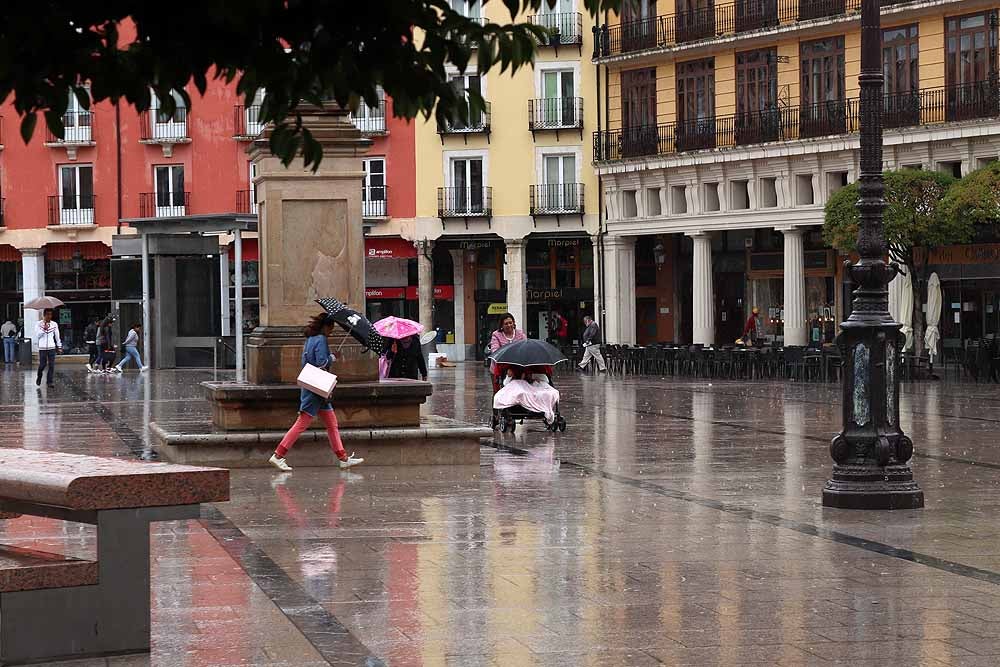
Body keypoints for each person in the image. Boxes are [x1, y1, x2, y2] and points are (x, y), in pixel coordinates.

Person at [269, 312, 365, 472]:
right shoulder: (321, 340)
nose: (332, 331)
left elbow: (307, 362)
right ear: (325, 326)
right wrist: (333, 357)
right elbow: (321, 363)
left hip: (313, 388)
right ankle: (278, 455)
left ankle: (343, 458)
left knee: (332, 424)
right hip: (316, 390)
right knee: (302, 424)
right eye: (331, 328)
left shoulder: (309, 340)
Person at [488, 313, 526, 391]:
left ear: (513, 323)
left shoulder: (520, 334)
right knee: (498, 392)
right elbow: (495, 351)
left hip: (516, 366)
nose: (509, 325)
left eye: (510, 323)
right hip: (499, 367)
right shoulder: (496, 335)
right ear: (501, 325)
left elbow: (525, 347)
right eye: (506, 324)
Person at [35, 309, 61, 387]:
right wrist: (44, 329)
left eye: (50, 314)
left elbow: (57, 336)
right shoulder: (38, 324)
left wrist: (59, 346)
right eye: (47, 314)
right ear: (44, 315)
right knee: (42, 365)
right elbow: (37, 335)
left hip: (51, 347)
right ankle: (39, 376)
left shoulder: (54, 324)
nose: (49, 316)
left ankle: (49, 381)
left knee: (51, 365)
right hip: (42, 348)